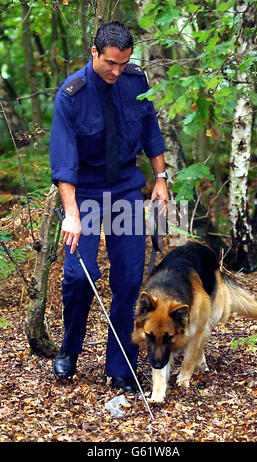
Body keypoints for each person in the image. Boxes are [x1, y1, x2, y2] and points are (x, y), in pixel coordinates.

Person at [49, 21, 168, 393]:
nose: (116, 71)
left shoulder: (135, 81)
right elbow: (63, 158)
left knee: (130, 280)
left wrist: (161, 178)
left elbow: (151, 131)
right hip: (83, 192)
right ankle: (69, 348)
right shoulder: (71, 94)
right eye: (110, 63)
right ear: (95, 53)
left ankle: (121, 367)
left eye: (123, 63)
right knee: (79, 275)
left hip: (126, 190)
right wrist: (70, 212)